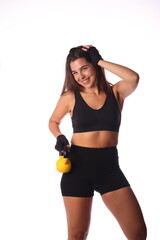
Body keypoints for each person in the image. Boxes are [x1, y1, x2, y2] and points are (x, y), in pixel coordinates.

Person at [48, 45, 147, 240]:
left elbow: (133, 78)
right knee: (78, 235)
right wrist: (59, 136)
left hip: (109, 168)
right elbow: (53, 121)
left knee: (137, 233)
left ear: (94, 65)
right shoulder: (69, 97)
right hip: (77, 168)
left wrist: (99, 60)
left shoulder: (116, 92)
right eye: (74, 72)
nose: (80, 76)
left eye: (84, 68)